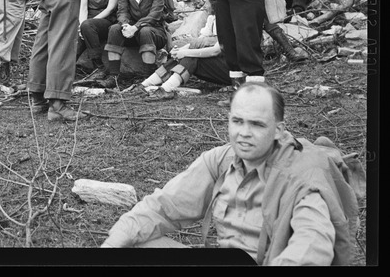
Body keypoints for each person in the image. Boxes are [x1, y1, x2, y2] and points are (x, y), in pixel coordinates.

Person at [101, 82, 361, 266]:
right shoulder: (221, 160)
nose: (244, 133)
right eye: (237, 121)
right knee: (132, 242)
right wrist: (108, 251)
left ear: (279, 130)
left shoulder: (301, 177)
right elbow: (161, 208)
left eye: (256, 124)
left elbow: (312, 245)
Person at [143, 0, 232, 101]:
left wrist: (185, 52)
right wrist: (181, 51)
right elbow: (199, 41)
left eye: (206, 2)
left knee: (191, 55)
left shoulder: (227, 19)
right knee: (187, 52)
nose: (204, 6)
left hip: (231, 70)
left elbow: (215, 51)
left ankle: (167, 89)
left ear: (215, 3)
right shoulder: (212, 18)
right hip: (218, 63)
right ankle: (145, 85)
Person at [94, 0, 168, 89]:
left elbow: (155, 14)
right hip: (132, 31)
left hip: (155, 32)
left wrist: (136, 27)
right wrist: (125, 25)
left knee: (145, 31)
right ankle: (113, 77)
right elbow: (122, 11)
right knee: (114, 29)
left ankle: (148, 77)